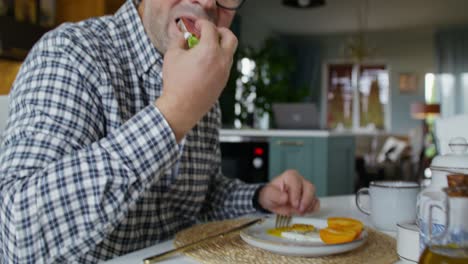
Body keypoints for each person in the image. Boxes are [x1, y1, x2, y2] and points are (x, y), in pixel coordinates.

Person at [0, 0, 320, 263]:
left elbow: (200, 199)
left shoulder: (202, 76)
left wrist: (260, 197)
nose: (209, 3)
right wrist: (173, 113)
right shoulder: (71, 53)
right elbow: (16, 236)